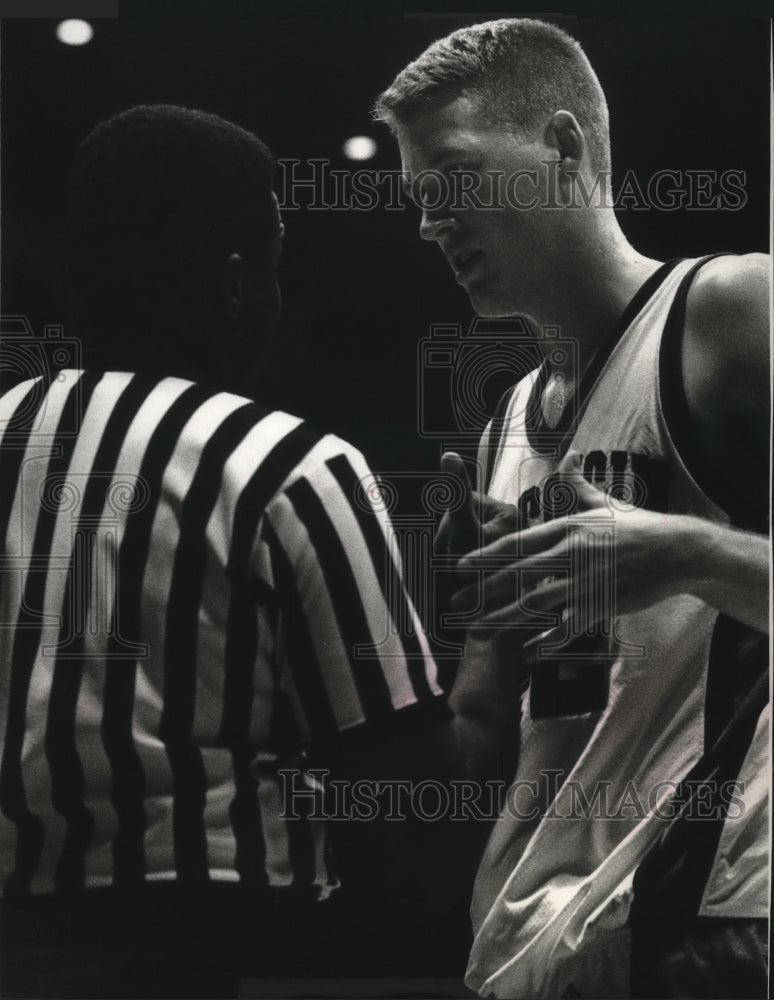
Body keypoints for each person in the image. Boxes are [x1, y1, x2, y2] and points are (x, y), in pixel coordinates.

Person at [0, 104, 522, 998]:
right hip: (209, 945)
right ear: (238, 285)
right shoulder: (291, 467)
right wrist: (494, 622)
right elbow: (411, 797)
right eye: (279, 265)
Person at [374, 18, 770, 999]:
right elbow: (486, 718)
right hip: (532, 940)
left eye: (455, 178)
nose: (432, 223)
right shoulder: (505, 427)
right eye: (422, 198)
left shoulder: (731, 314)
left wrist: (684, 551)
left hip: (709, 915)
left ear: (562, 147)